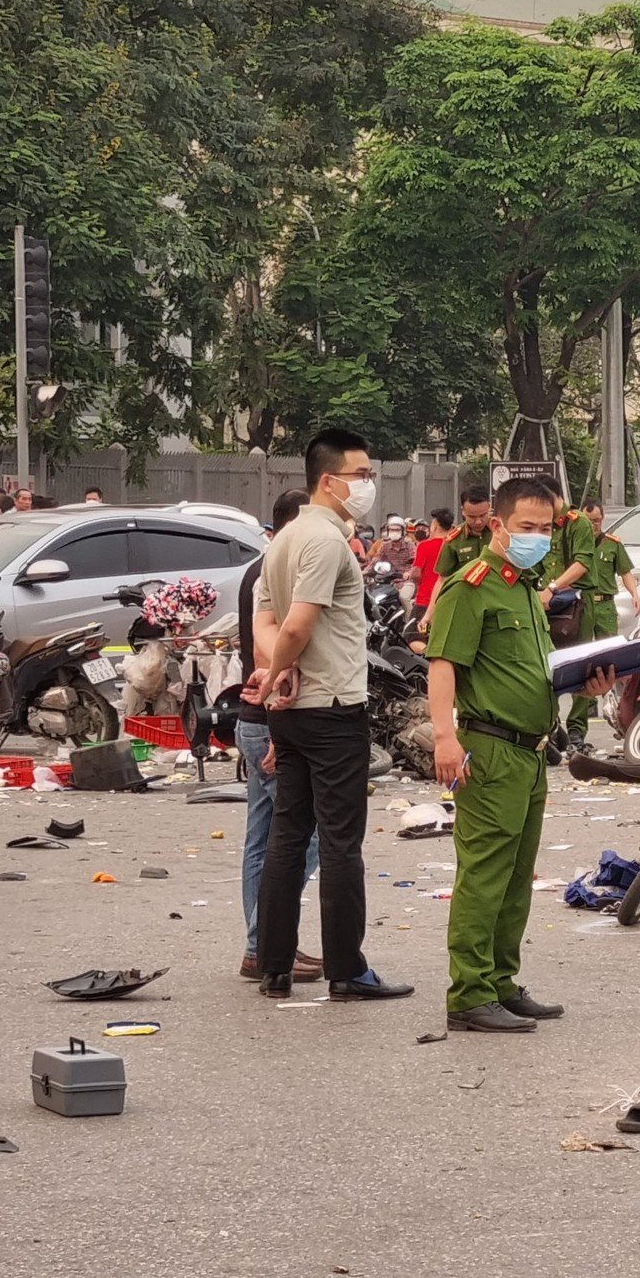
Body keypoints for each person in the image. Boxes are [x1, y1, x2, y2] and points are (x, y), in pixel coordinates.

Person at [424, 477, 616, 1033]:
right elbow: (443, 664)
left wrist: (584, 686)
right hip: (488, 749)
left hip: (530, 753)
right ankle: (468, 994)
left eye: (545, 528)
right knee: (484, 874)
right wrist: (443, 737)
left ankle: (500, 983)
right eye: (526, 527)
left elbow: (530, 673)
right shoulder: (473, 585)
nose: (536, 536)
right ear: (499, 525)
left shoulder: (524, 590)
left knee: (514, 878)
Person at [244, 427, 412, 1001]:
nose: (368, 485)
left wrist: (275, 672)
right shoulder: (323, 540)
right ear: (328, 480)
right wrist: (279, 669)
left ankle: (273, 966)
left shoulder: (282, 540)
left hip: (291, 711)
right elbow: (296, 625)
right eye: (362, 475)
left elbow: (265, 627)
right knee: (341, 842)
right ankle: (347, 969)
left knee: (288, 835)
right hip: (333, 706)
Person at [236, 488, 323, 983]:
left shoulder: (259, 569)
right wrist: (277, 729)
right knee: (299, 838)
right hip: (270, 717)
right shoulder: (278, 572)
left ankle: (261, 943)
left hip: (256, 717)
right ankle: (267, 941)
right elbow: (271, 655)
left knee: (263, 837)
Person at [566, 500, 639, 749]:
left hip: (605, 605)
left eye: (597, 520)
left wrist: (634, 594)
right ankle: (578, 723)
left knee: (611, 661)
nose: (594, 525)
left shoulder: (612, 544)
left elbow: (626, 571)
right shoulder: (574, 542)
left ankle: (620, 714)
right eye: (590, 521)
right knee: (582, 661)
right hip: (583, 605)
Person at [536, 477, 597, 753]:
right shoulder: (540, 525)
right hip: (545, 604)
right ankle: (550, 726)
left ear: (554, 497)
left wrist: (553, 587)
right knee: (544, 665)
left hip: (576, 604)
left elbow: (582, 563)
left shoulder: (578, 522)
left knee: (581, 665)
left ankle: (576, 731)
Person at [425, 486, 493, 628]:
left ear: (490, 507)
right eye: (472, 517)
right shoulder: (454, 540)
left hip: (498, 604)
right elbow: (442, 579)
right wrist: (430, 612)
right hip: (467, 606)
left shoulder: (501, 532)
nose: (478, 521)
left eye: (483, 515)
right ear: (463, 511)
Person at [409, 507, 455, 613]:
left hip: (425, 600)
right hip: (448, 601)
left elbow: (415, 573)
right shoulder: (454, 545)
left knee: (413, 629)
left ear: (434, 526)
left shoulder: (424, 546)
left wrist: (419, 584)